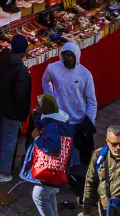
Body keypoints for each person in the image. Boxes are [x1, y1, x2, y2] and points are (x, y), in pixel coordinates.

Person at [45, 40, 100, 169]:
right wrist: (50, 97)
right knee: (61, 150)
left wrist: (89, 121)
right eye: (65, 55)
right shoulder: (53, 68)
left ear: (76, 56)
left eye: (71, 55)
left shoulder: (85, 74)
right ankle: (61, 174)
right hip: (60, 119)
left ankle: (75, 176)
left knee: (77, 152)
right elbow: (45, 80)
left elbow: (91, 100)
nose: (68, 58)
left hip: (78, 121)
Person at [0, 34, 33, 182]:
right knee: (9, 138)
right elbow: (21, 96)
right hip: (12, 109)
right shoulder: (21, 71)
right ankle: (2, 172)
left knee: (2, 131)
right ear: (24, 52)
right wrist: (23, 114)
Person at [22, 94, 74, 216]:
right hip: (58, 170)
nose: (36, 107)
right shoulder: (58, 118)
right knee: (49, 195)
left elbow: (53, 148)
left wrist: (37, 138)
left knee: (39, 196)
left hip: (49, 170)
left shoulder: (52, 126)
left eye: (38, 106)